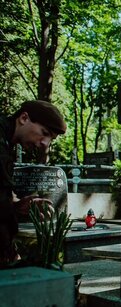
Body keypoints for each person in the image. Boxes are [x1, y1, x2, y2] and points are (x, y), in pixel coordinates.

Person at [1, 100, 67, 267]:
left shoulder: (6, 142)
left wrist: (16, 205)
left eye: (50, 139)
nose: (45, 143)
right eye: (44, 132)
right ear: (24, 118)